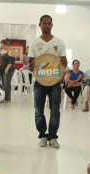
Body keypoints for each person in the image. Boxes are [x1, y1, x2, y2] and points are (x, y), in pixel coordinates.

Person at [28, 15, 67, 148]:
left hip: (55, 82)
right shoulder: (34, 43)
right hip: (39, 82)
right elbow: (30, 63)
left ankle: (53, 137)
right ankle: (42, 136)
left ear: (52, 25)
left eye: (48, 23)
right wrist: (31, 65)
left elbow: (63, 62)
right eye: (44, 23)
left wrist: (64, 62)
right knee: (39, 110)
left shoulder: (59, 42)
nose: (46, 25)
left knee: (55, 110)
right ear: (40, 25)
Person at [0, 38, 15, 103]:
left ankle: (7, 99)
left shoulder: (10, 51)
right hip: (1, 70)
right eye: (1, 45)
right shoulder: (2, 51)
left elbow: (11, 62)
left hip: (8, 70)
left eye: (3, 45)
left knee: (7, 84)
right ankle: (7, 97)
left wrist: (7, 69)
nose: (2, 47)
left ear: (6, 45)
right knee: (3, 84)